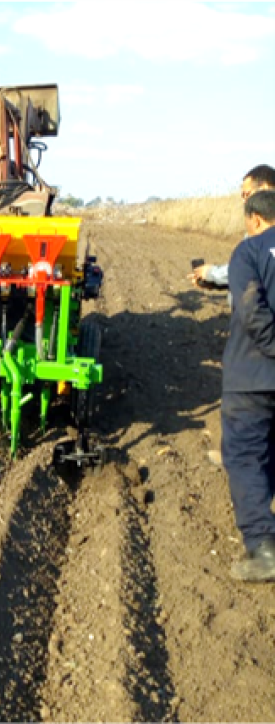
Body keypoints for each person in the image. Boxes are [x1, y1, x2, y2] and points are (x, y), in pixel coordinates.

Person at [221, 189, 275, 581]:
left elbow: (250, 309)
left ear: (255, 219)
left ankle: (264, 545)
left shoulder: (249, 251)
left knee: (244, 455)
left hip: (252, 377)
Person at [190, 164, 275, 287]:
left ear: (264, 188)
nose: (244, 201)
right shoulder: (256, 228)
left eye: (247, 194)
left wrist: (210, 273)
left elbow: (246, 268)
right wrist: (214, 283)